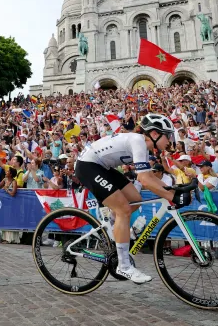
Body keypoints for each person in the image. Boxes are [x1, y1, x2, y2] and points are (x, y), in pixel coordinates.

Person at [75, 113, 190, 285]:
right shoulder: (138, 142)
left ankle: (113, 230)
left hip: (102, 166)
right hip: (88, 166)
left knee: (135, 199)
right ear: (155, 134)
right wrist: (172, 196)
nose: (170, 141)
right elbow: (144, 180)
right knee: (124, 209)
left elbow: (149, 176)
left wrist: (173, 188)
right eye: (168, 136)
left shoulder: (143, 145)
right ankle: (124, 266)